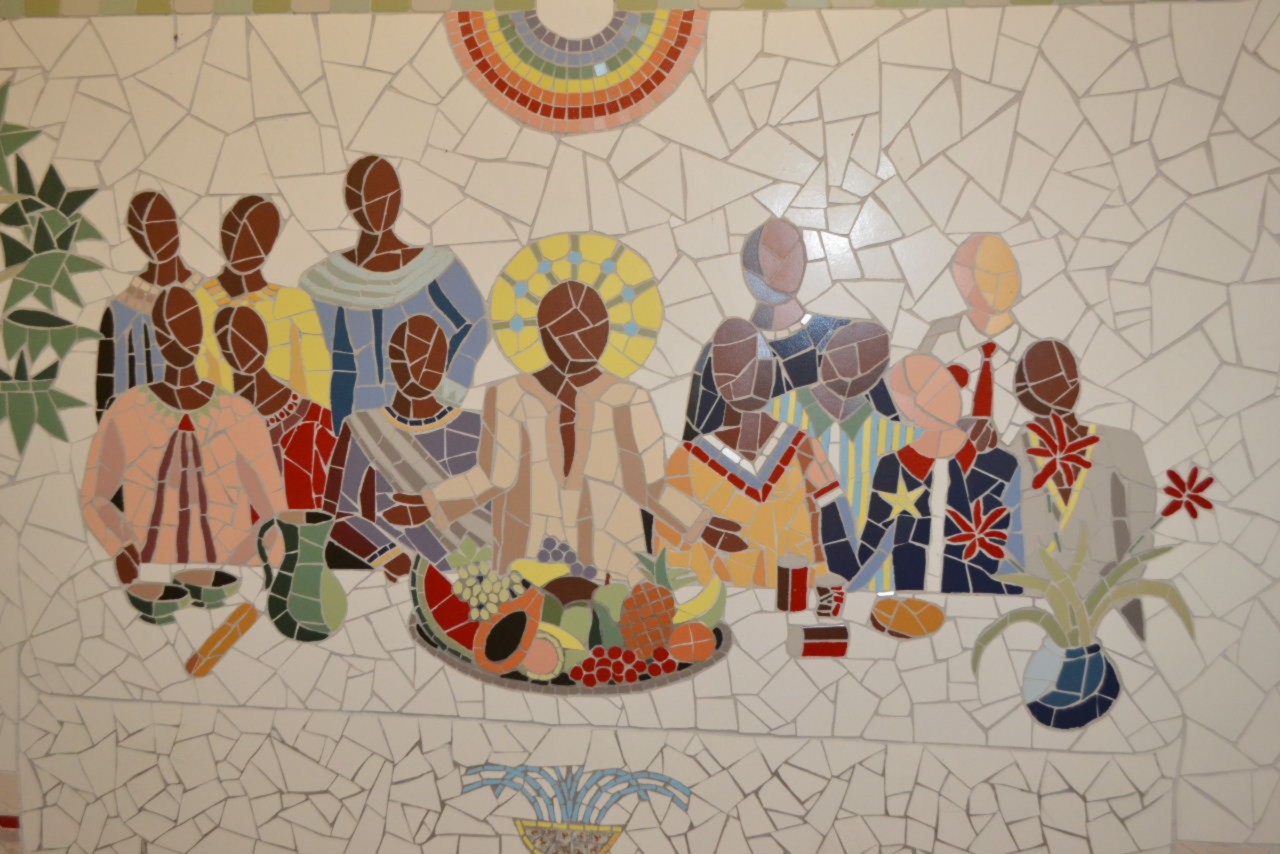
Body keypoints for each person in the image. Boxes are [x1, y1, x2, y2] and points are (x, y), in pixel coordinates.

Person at [394, 280, 708, 582]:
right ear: (546, 333)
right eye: (573, 329)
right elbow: (494, 475)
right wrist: (432, 502)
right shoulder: (508, 396)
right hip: (528, 560)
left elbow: (649, 486)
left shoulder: (628, 400)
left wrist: (702, 524)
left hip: (613, 565)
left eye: (597, 328)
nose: (588, 339)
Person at [82, 288, 287, 582]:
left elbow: (276, 515)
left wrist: (238, 566)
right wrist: (122, 546)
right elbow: (95, 497)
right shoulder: (127, 410)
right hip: (151, 577)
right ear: (158, 336)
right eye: (169, 328)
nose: (179, 337)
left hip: (230, 579)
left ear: (200, 331)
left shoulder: (239, 414)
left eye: (187, 324)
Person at [657, 319, 859, 589]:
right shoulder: (687, 460)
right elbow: (671, 558)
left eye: (761, 364)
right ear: (718, 379)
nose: (751, 376)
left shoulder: (803, 448)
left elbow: (837, 530)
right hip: (718, 601)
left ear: (772, 371)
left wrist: (831, 586)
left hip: (799, 600)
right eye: (737, 367)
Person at [300, 156, 488, 431]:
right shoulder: (328, 280)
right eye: (366, 198)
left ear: (399, 198)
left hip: (430, 415)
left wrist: (451, 384)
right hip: (361, 418)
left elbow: (479, 322)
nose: (379, 207)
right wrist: (340, 425)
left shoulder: (435, 266)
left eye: (388, 195)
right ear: (351, 202)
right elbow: (337, 361)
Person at [323, 315, 490, 581]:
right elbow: (337, 513)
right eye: (411, 356)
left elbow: (502, 507)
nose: (420, 368)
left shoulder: (478, 427)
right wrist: (388, 554)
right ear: (393, 360)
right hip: (400, 574)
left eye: (432, 357)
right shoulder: (363, 426)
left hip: (479, 570)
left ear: (445, 363)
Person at [1014, 339, 1156, 637]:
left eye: (1066, 373)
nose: (1064, 384)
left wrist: (1116, 589)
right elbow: (1008, 543)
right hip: (1037, 611)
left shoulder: (1122, 445)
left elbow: (1143, 527)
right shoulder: (1012, 457)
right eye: (1048, 377)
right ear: (1024, 390)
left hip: (1114, 606)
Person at [852, 354, 1023, 594]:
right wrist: (847, 589)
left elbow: (1015, 548)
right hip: (912, 596)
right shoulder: (894, 467)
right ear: (906, 408)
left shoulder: (1002, 466)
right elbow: (873, 542)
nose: (938, 398)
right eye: (920, 393)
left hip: (984, 596)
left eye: (944, 385)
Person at [773, 321, 914, 590]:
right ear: (825, 354)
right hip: (789, 571)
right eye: (845, 353)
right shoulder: (777, 413)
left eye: (868, 361)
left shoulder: (895, 438)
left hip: (871, 586)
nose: (854, 367)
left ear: (877, 375)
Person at [684, 217, 851, 439]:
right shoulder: (726, 350)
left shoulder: (841, 337)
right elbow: (698, 438)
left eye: (788, 252)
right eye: (772, 256)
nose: (781, 263)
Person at [194, 195, 332, 406]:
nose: (251, 247)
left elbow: (317, 375)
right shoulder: (198, 301)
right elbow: (196, 373)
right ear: (225, 235)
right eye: (240, 233)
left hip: (289, 418)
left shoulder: (294, 302)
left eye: (263, 237)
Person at [215, 305, 336, 511]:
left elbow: (336, 492)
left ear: (264, 339)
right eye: (231, 343)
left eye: (251, 337)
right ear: (224, 352)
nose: (245, 348)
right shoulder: (222, 427)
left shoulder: (316, 421)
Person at [96, 191, 201, 420]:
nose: (162, 235)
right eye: (149, 229)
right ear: (138, 238)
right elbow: (107, 391)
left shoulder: (205, 294)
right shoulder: (120, 310)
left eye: (167, 222)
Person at [919, 234, 1027, 450]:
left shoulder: (1035, 355)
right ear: (961, 279)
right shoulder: (938, 338)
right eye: (985, 273)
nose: (999, 281)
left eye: (1008, 270)